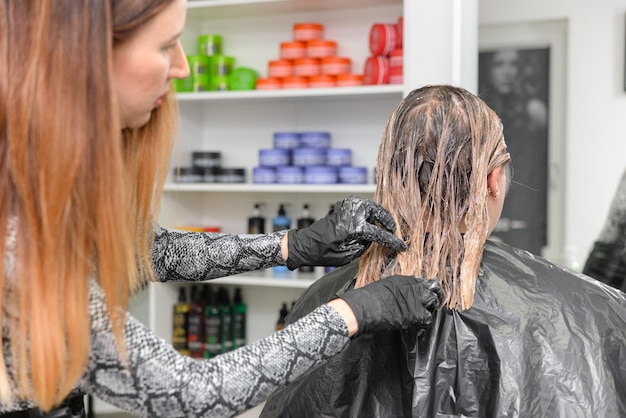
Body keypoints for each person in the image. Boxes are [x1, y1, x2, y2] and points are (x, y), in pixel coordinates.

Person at [0, 1, 442, 417]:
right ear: (85, 53)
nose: (183, 67)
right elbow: (194, 393)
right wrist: (353, 312)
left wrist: (291, 245)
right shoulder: (14, 239)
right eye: (164, 45)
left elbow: (152, 252)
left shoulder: (44, 177)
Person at [261, 85, 626, 417]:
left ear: (388, 175)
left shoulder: (321, 303)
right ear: (492, 181)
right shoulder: (583, 312)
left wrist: (289, 247)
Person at [478, 48, 549, 256]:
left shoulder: (534, 111)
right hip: (491, 202)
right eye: (500, 64)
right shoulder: (477, 115)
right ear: (489, 70)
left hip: (524, 203)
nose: (507, 71)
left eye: (513, 64)